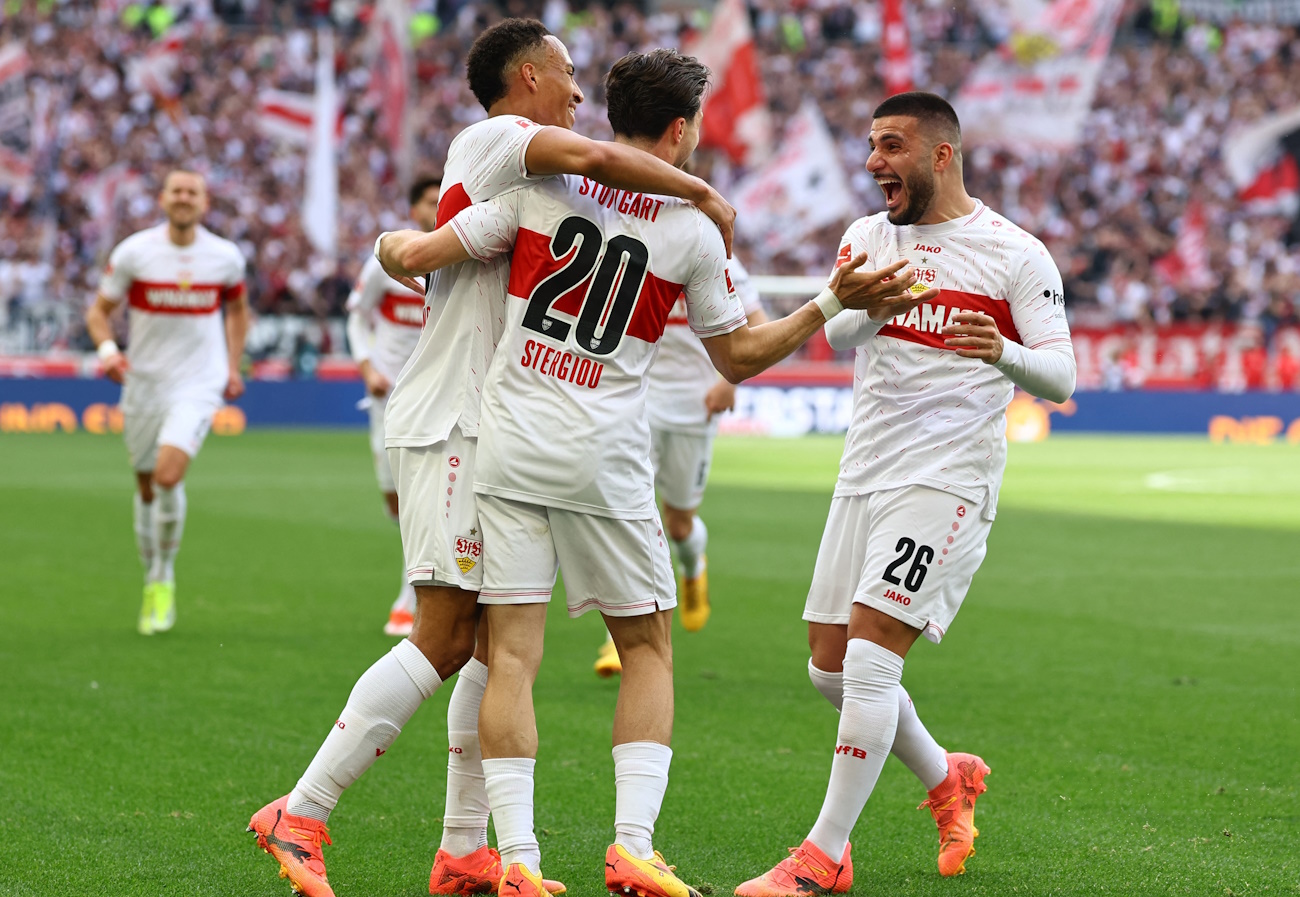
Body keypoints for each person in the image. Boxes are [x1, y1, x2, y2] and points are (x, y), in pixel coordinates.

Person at [376, 49, 938, 897]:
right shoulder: (690, 231)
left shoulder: (536, 191)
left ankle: (520, 860)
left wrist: (392, 244)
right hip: (603, 454)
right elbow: (740, 356)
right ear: (681, 129)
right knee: (645, 646)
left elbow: (423, 254)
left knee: (512, 656)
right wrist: (828, 303)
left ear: (609, 115)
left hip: (510, 445)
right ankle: (632, 844)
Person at [247, 20, 738, 897]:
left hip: (497, 424)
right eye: (569, 75)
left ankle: (465, 847)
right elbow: (599, 160)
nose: (581, 95)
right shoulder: (499, 140)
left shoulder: (527, 173)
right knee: (442, 635)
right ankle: (303, 810)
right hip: (456, 420)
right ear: (528, 77)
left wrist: (398, 248)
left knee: (492, 643)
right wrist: (704, 196)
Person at [736, 92, 1076, 897]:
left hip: (948, 477)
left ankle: (824, 854)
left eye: (891, 146)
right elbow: (843, 336)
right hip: (866, 471)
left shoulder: (1013, 253)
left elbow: (1061, 375)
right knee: (829, 667)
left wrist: (1004, 353)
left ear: (940, 155)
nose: (873, 162)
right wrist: (862, 303)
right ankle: (945, 775)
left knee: (870, 657)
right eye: (870, 146)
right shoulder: (866, 237)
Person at [84, 169, 248, 636]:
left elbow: (238, 309)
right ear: (162, 199)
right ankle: (150, 570)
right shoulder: (135, 252)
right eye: (176, 191)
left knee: (167, 474)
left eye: (191, 192)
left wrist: (232, 366)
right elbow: (99, 311)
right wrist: (108, 352)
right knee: (145, 486)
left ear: (204, 202)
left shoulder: (224, 257)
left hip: (199, 381)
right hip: (144, 382)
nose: (183, 198)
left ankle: (163, 577)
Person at [594, 257, 767, 677]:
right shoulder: (635, 244)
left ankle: (694, 566)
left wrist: (730, 382)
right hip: (638, 403)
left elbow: (759, 323)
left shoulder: (718, 259)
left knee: (679, 526)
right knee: (631, 516)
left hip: (695, 407)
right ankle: (622, 637)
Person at [344, 175, 441, 637]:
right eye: (427, 199)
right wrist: (366, 366)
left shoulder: (460, 256)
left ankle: (409, 598)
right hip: (386, 396)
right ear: (413, 210)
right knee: (395, 500)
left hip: (435, 395)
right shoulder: (388, 262)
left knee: (419, 497)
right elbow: (357, 318)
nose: (437, 203)